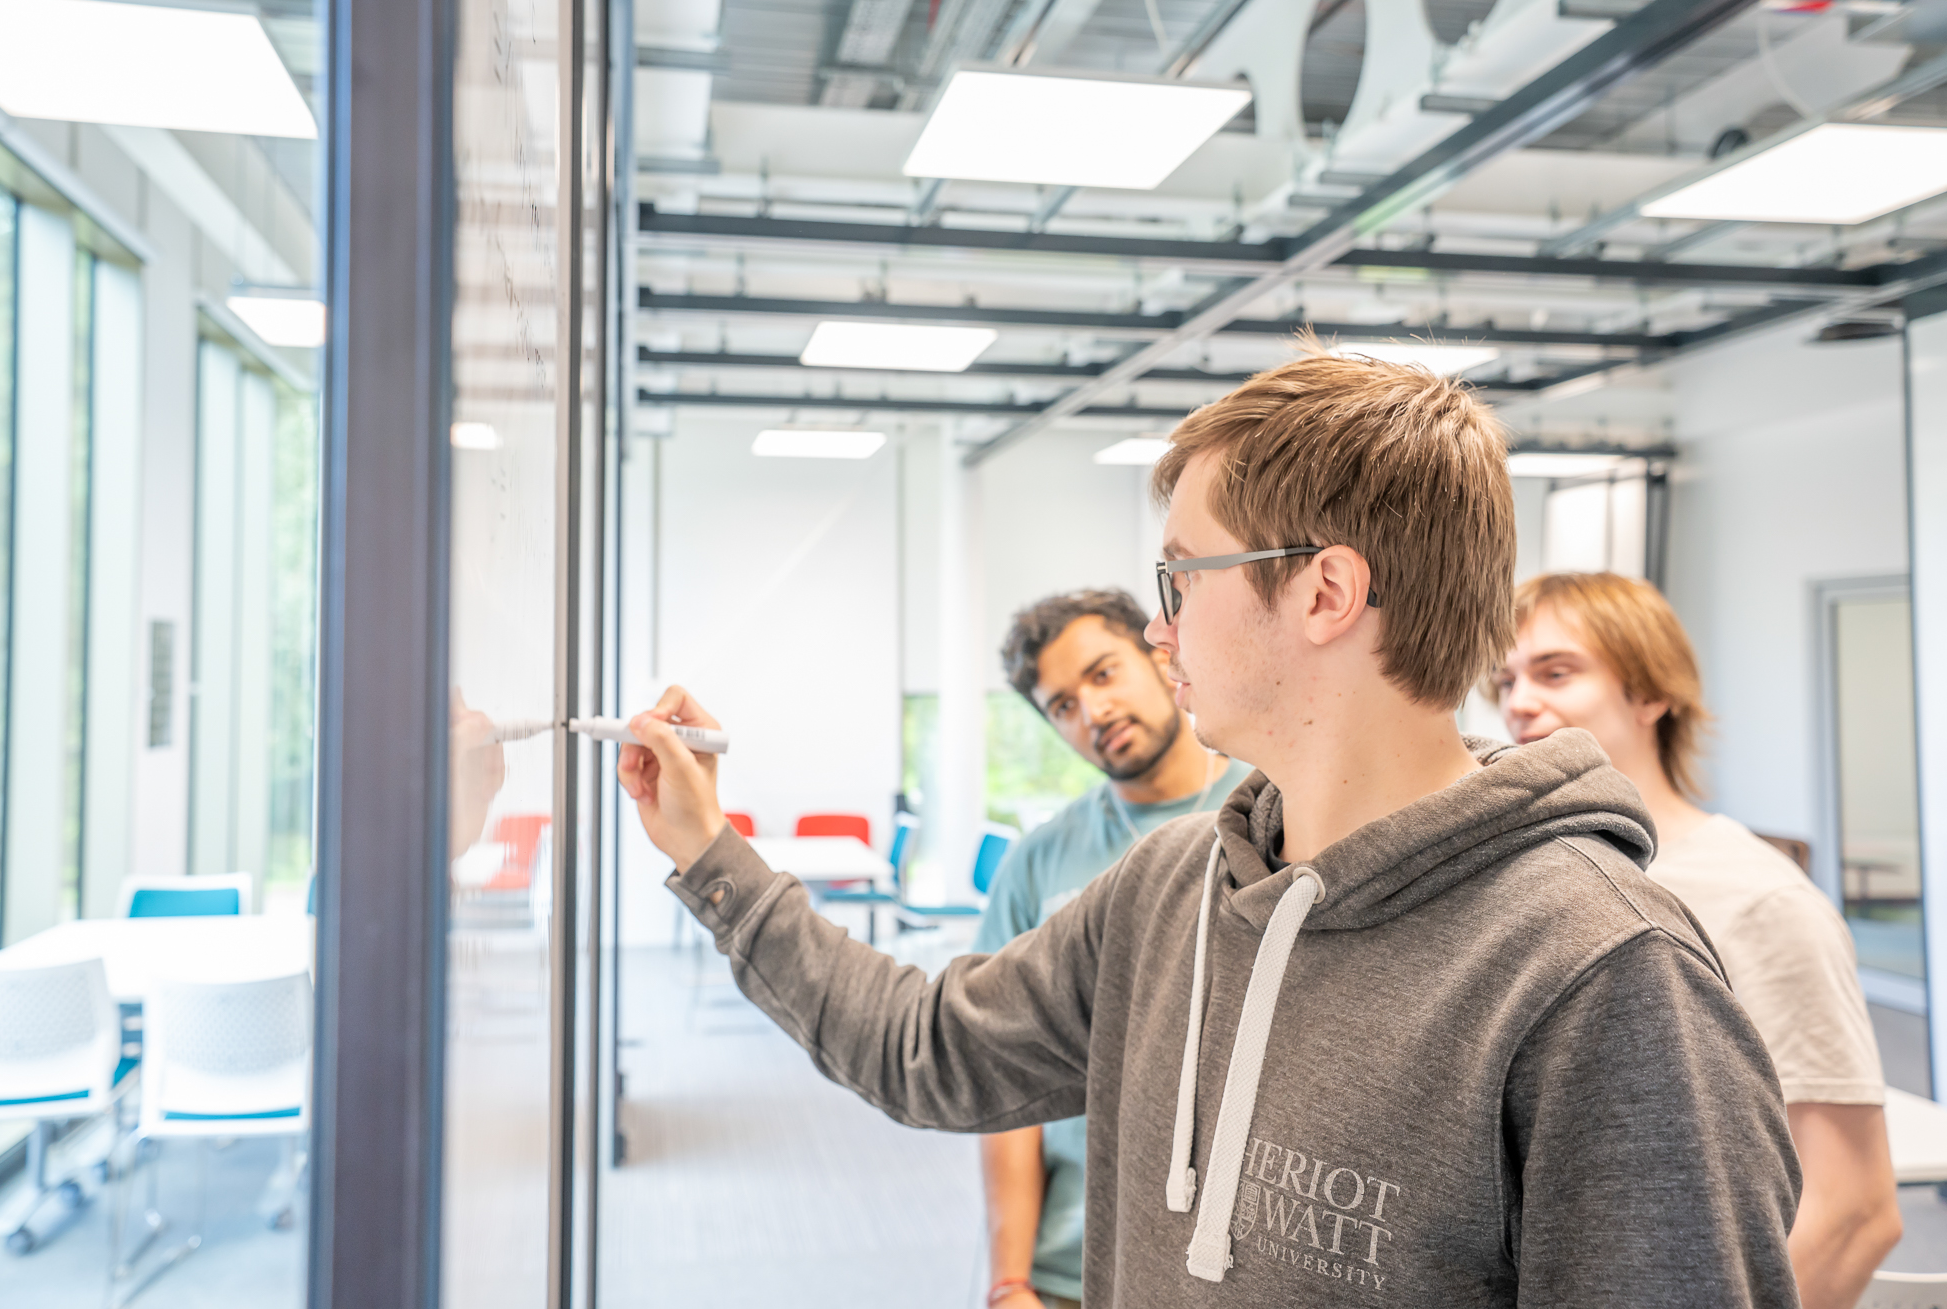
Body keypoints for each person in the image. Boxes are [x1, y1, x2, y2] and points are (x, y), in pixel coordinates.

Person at [617, 346, 1802, 1307]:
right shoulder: (1168, 887)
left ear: (1323, 592)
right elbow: (924, 1048)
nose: (1162, 629)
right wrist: (711, 856)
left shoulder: (1605, 976)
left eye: (1180, 577)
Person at [1493, 571, 1901, 1309]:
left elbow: (1855, 1212)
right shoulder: (1533, 878)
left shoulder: (1762, 900)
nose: (1519, 702)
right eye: (1506, 680)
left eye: (1557, 672)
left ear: (1651, 693)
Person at [979, 589, 1251, 1309]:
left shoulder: (1269, 818)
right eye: (1062, 705)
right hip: (1076, 1261)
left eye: (1103, 674)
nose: (1092, 712)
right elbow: (1006, 1088)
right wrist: (1010, 1281)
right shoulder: (1036, 864)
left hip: (1239, 1260)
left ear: (1162, 656)